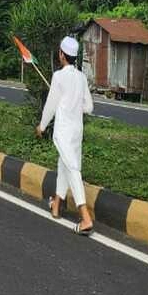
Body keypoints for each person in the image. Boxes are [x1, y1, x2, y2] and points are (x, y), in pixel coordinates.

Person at [37, 37, 95, 235]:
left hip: (63, 131)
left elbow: (51, 105)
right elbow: (89, 107)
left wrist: (42, 126)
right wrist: (74, 104)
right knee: (64, 165)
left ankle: (85, 218)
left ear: (61, 54)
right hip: (77, 132)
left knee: (72, 169)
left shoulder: (58, 76)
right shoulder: (81, 78)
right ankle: (56, 205)